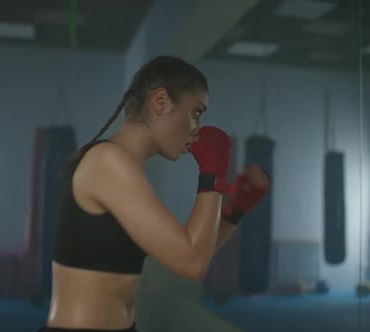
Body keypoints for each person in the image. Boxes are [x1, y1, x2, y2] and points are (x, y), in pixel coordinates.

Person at [39, 56, 271, 332]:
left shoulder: (124, 168)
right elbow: (191, 263)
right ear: (160, 102)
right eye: (195, 112)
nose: (197, 129)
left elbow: (189, 253)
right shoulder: (107, 162)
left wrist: (237, 210)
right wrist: (213, 171)